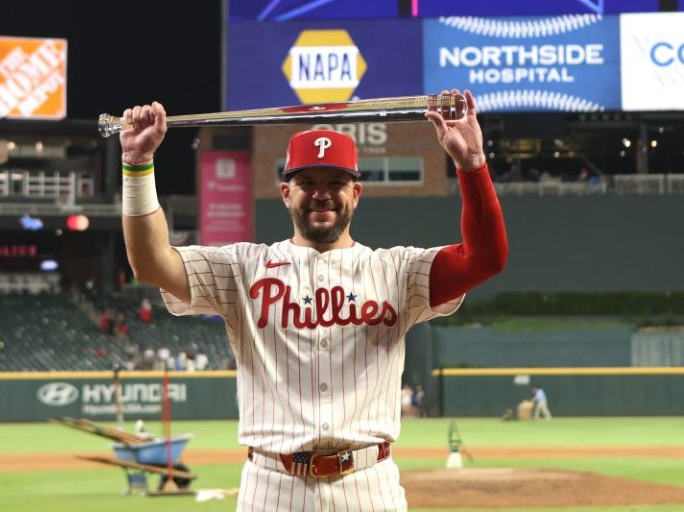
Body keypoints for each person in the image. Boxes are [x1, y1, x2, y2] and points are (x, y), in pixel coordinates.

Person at [119, 89, 507, 511]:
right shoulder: (242, 268)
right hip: (272, 487)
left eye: (335, 182)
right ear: (286, 193)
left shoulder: (399, 271)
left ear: (355, 193)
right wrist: (138, 166)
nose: (321, 193)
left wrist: (472, 165)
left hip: (368, 486)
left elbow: (485, 258)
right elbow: (151, 263)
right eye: (307, 182)